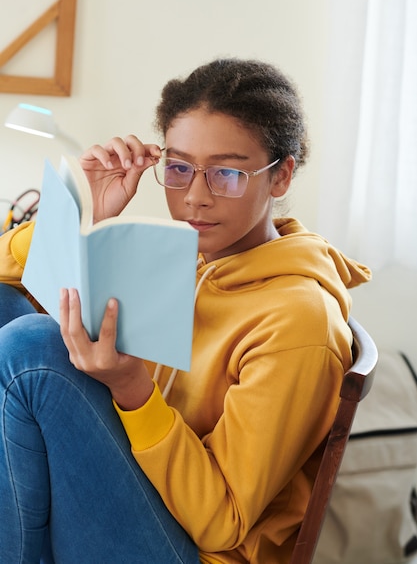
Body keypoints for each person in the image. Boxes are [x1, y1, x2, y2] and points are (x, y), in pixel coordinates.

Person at [0, 58, 371, 564]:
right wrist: (91, 215)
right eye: (178, 168)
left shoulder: (298, 321)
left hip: (193, 550)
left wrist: (133, 390)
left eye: (226, 172)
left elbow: (223, 523)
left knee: (30, 348)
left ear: (281, 175)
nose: (195, 197)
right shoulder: (184, 257)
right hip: (142, 497)